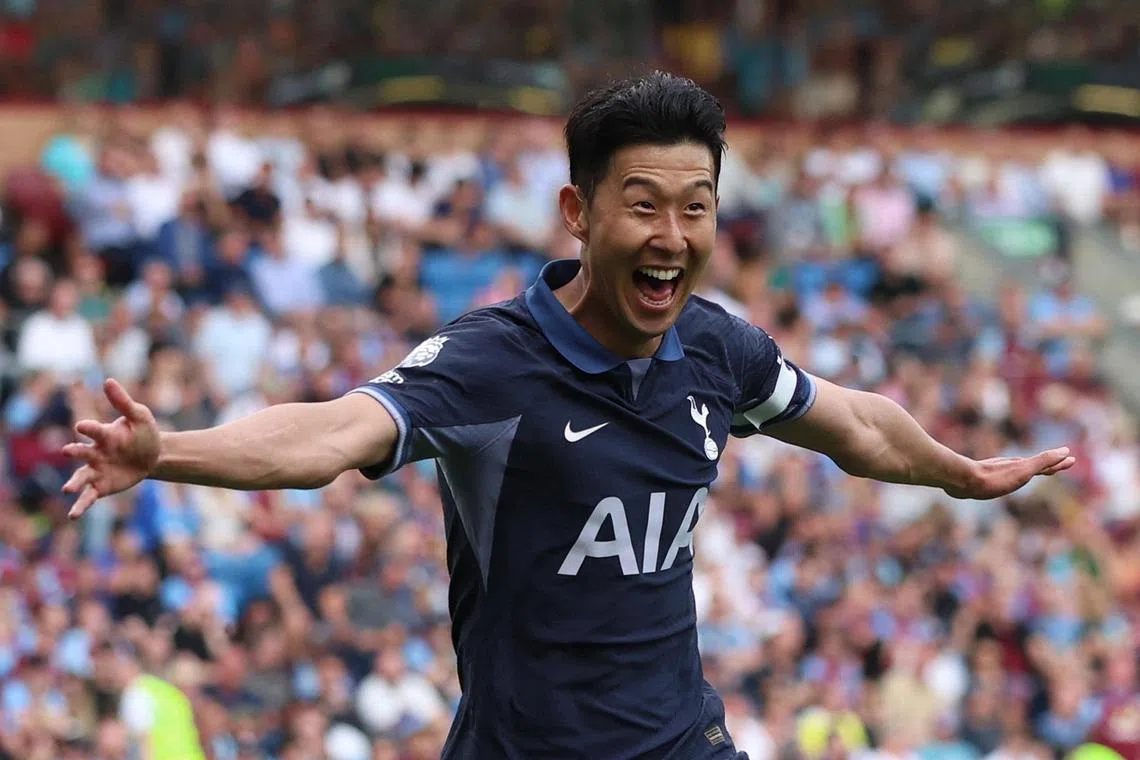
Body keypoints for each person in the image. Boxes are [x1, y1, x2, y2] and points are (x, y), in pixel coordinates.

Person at [61, 73, 1075, 760]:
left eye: (698, 205)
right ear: (578, 212)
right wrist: (170, 452)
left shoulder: (717, 349)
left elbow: (851, 423)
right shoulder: (492, 362)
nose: (673, 234)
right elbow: (330, 433)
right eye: (644, 203)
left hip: (682, 739)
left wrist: (958, 470)